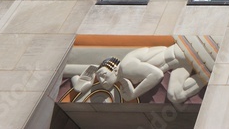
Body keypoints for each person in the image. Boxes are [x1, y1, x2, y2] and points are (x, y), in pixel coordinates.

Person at [71, 43, 204, 104]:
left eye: (104, 75)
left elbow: (156, 74)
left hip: (183, 52)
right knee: (175, 96)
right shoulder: (124, 74)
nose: (102, 81)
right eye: (99, 79)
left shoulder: (125, 67)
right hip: (181, 62)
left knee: (175, 96)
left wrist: (134, 94)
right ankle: (208, 75)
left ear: (115, 69)